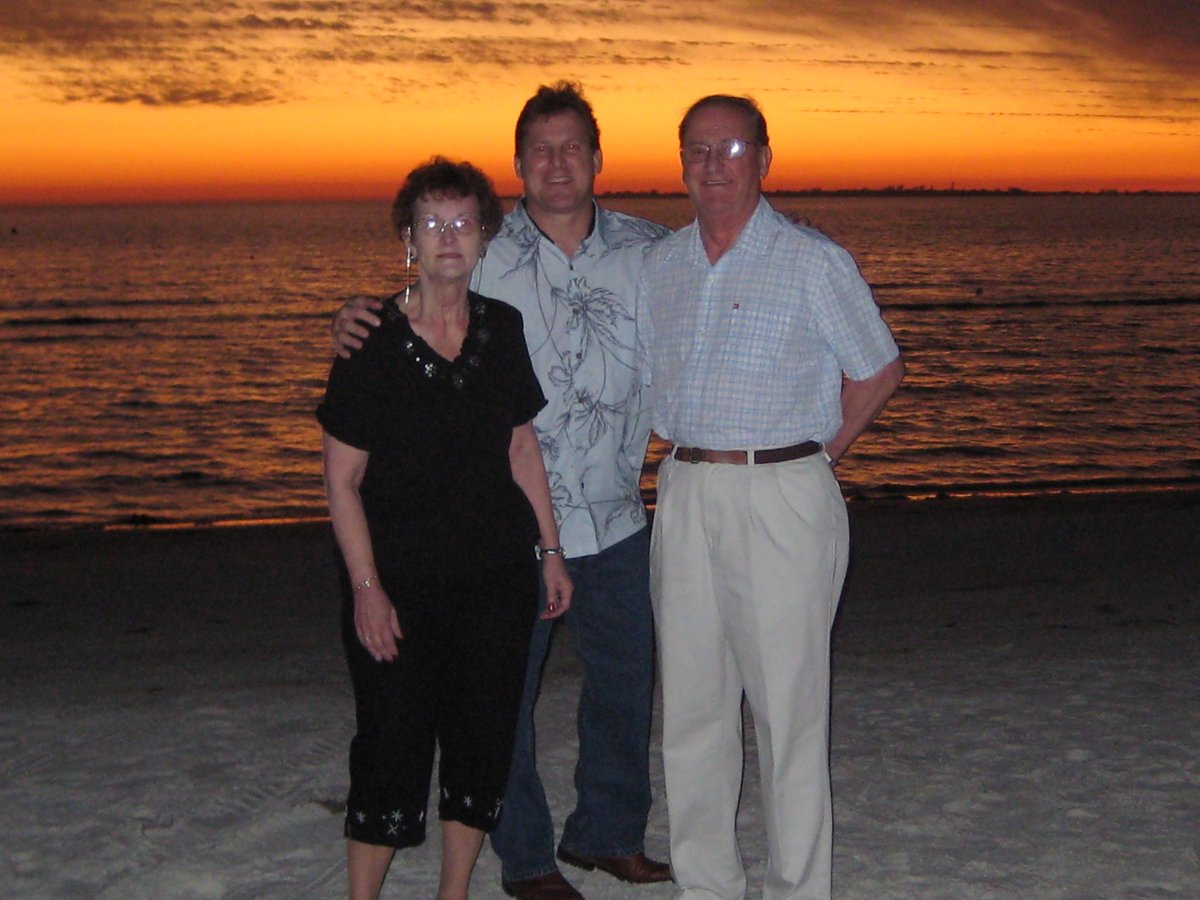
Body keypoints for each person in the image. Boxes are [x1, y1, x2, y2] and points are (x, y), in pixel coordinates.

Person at [332, 82, 672, 899]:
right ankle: (526, 859)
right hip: (509, 529)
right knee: (498, 706)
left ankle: (609, 833)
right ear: (518, 164)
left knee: (625, 684)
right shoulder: (485, 247)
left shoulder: (653, 251)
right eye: (540, 149)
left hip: (618, 507)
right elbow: (408, 316)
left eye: (572, 147)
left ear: (597, 158)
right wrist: (353, 315)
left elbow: (720, 293)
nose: (557, 162)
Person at [636, 95, 905, 899]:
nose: (713, 163)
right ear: (680, 160)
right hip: (684, 490)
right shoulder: (662, 267)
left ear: (763, 158)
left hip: (782, 494)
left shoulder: (812, 261)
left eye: (730, 147)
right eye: (698, 149)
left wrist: (816, 454)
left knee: (788, 719)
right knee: (691, 714)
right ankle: (708, 887)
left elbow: (879, 369)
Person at [317, 157, 573, 900]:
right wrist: (366, 588)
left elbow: (521, 447)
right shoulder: (369, 342)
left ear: (485, 234)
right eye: (432, 223)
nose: (448, 237)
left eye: (463, 222)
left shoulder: (503, 329)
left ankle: (452, 893)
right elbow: (342, 480)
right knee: (391, 745)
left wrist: (550, 553)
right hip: (396, 584)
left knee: (481, 741)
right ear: (409, 238)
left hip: (496, 579)